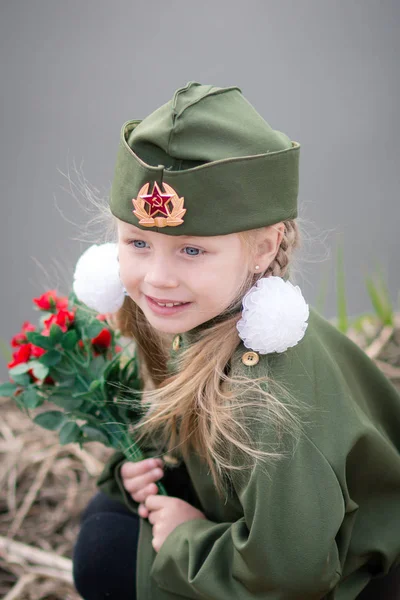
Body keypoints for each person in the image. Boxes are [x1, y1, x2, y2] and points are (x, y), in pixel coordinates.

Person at [72, 81, 400, 599]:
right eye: (138, 243)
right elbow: (187, 434)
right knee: (109, 512)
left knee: (105, 557)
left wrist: (184, 540)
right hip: (280, 532)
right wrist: (134, 469)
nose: (157, 278)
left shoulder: (266, 398)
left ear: (263, 248)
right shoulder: (191, 319)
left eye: (192, 251)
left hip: (359, 582)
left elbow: (295, 573)